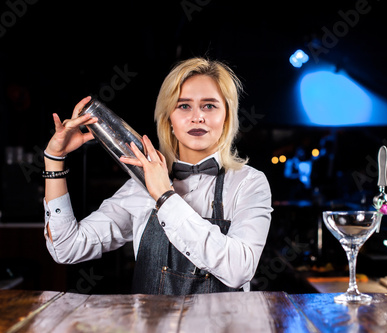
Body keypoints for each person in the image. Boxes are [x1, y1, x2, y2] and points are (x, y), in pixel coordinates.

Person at [43, 57, 273, 295]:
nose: (197, 117)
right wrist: (54, 159)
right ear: (169, 120)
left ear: (226, 118)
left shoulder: (249, 183)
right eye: (184, 106)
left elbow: (239, 270)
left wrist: (164, 196)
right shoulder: (139, 186)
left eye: (209, 105)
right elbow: (66, 248)